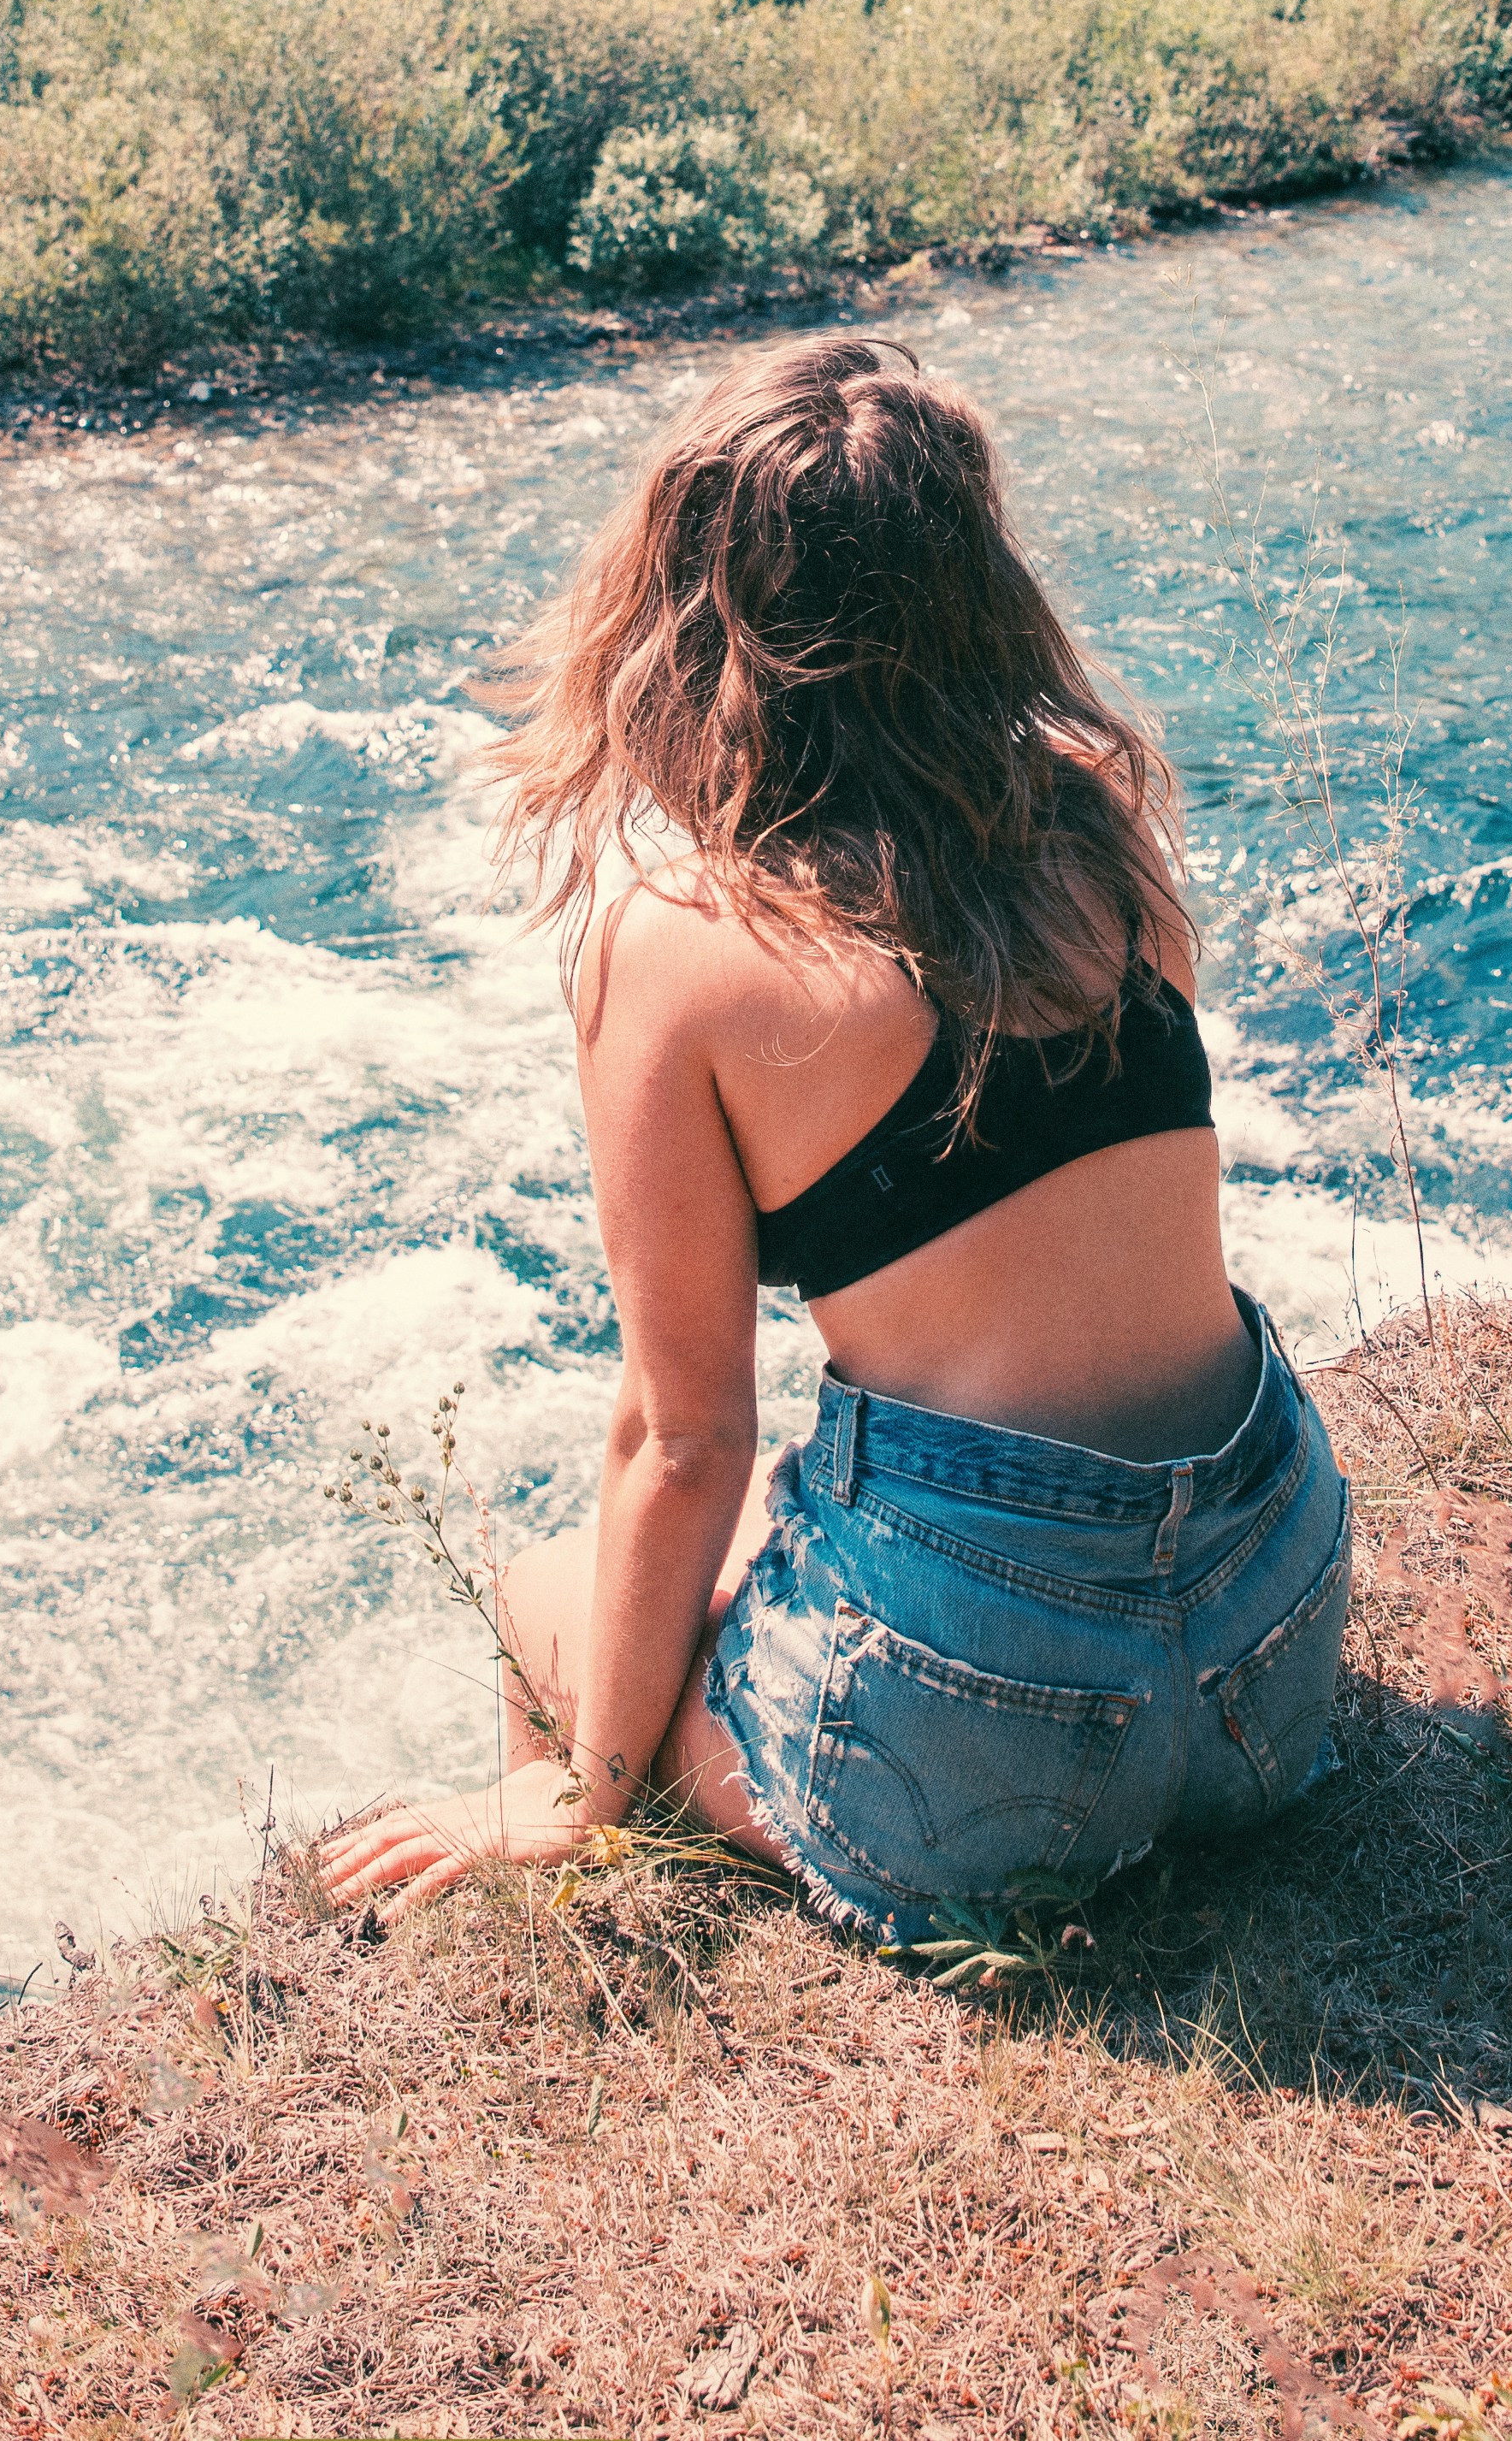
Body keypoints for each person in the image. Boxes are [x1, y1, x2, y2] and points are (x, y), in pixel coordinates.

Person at [311, 334, 1353, 1942]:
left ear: (688, 616)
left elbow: (684, 1439)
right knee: (800, 1513)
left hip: (996, 1736)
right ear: (979, 589)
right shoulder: (1090, 806)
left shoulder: (670, 945)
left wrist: (590, 1783)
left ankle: (583, 1936)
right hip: (1269, 1660)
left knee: (547, 1597)